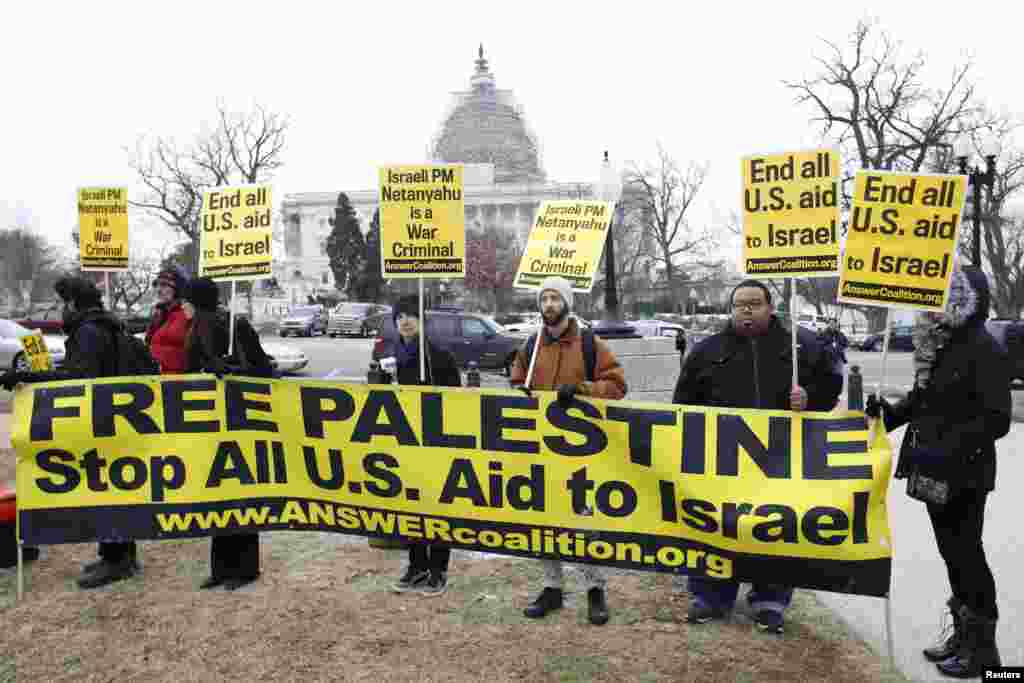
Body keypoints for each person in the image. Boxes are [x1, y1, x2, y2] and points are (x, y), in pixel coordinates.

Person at [672, 279, 842, 634]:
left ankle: (770, 600)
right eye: (739, 304)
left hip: (780, 460)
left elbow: (831, 387)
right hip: (722, 462)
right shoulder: (707, 351)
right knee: (717, 527)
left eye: (754, 303)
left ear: (771, 308)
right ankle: (711, 596)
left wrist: (808, 398)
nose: (746, 309)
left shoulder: (801, 347)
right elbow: (683, 404)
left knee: (775, 528)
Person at [866, 266, 1009, 678]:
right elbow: (921, 400)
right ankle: (964, 637)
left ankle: (985, 655)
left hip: (963, 472)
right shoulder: (938, 344)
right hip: (931, 469)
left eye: (948, 296)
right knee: (952, 555)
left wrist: (950, 446)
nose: (937, 305)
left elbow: (997, 419)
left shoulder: (984, 347)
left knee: (967, 555)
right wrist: (887, 416)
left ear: (966, 301)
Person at [0, 276, 139, 588]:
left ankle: (118, 560)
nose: (62, 309)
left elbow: (80, 376)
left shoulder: (89, 330)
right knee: (112, 488)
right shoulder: (102, 325)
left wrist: (34, 376)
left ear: (74, 303)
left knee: (107, 490)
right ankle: (117, 554)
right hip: (113, 418)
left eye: (64, 301)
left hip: (102, 421)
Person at [509, 276, 627, 626]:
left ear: (567, 303)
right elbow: (517, 382)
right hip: (540, 447)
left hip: (581, 450)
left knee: (584, 519)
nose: (548, 305)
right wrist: (520, 392)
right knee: (543, 518)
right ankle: (552, 586)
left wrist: (583, 388)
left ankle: (595, 589)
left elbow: (618, 386)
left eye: (554, 298)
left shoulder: (590, 343)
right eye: (544, 298)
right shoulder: (531, 345)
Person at [182, 277, 267, 591]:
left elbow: (263, 370)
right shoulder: (193, 329)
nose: (181, 305)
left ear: (198, 301)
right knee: (216, 492)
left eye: (186, 299)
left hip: (239, 419)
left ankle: (245, 568)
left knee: (240, 491)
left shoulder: (235, 326)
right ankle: (220, 567)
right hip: (208, 421)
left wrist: (234, 371)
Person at [385, 294, 462, 596]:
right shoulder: (391, 356)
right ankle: (416, 565)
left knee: (439, 504)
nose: (405, 321)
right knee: (410, 504)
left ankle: (438, 568)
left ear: (421, 321)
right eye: (400, 316)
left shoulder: (440, 355)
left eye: (411, 315)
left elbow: (457, 400)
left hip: (437, 442)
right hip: (404, 442)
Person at [146, 265, 190, 374]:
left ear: (178, 289)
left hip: (181, 382)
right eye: (157, 285)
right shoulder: (160, 314)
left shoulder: (187, 313)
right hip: (158, 381)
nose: (159, 290)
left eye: (165, 285)